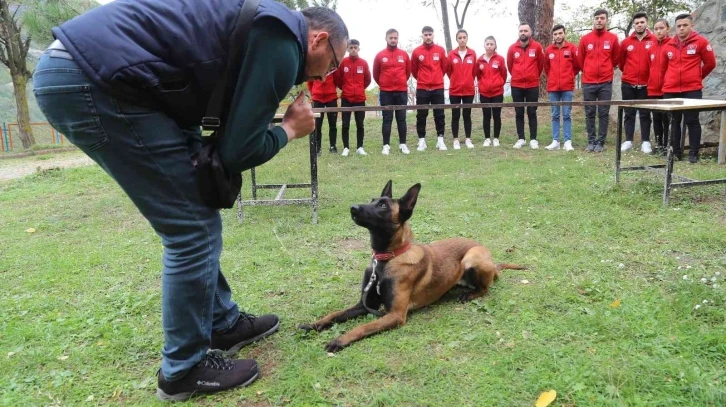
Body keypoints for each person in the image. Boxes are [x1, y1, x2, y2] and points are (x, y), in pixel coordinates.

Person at [32, 0, 347, 401]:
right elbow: (238, 152)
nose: (325, 75)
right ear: (318, 39)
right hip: (94, 80)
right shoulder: (283, 41)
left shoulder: (267, 25)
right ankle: (183, 369)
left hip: (93, 74)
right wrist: (288, 129)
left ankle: (221, 322)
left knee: (196, 212)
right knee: (190, 228)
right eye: (333, 63)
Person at [661, 13, 717, 163]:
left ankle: (693, 153)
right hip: (671, 90)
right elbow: (662, 68)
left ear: (692, 26)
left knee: (692, 120)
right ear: (675, 27)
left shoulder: (701, 42)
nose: (681, 28)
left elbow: (710, 63)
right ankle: (675, 152)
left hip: (692, 89)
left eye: (685, 25)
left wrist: (697, 77)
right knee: (674, 122)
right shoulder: (668, 46)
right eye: (679, 26)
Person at [577, 8, 620, 153]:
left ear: (606, 20)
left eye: (602, 18)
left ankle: (600, 142)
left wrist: (606, 69)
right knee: (589, 113)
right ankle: (591, 141)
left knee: (603, 113)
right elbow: (580, 60)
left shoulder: (613, 38)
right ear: (593, 20)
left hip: (605, 82)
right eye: (597, 18)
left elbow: (615, 59)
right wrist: (588, 71)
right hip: (588, 82)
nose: (599, 20)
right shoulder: (585, 39)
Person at [619, 12, 656, 154]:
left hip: (646, 84)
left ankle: (645, 142)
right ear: (633, 25)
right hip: (628, 83)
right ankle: (628, 140)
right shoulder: (626, 42)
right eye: (637, 23)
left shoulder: (653, 40)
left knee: (645, 113)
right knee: (629, 113)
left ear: (647, 23)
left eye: (642, 22)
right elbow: (622, 63)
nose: (639, 25)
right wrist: (630, 73)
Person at [373, 28, 411, 155]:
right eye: (391, 38)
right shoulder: (380, 55)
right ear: (386, 39)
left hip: (401, 92)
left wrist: (400, 83)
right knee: (387, 119)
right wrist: (385, 84)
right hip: (386, 92)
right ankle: (386, 145)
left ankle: (403, 144)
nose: (393, 40)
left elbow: (408, 73)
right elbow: (376, 74)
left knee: (402, 119)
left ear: (398, 39)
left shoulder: (404, 55)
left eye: (395, 38)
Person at [507, 23, 544, 149]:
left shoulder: (537, 47)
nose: (523, 33)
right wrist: (518, 76)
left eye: (525, 30)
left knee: (532, 112)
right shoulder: (512, 48)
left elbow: (540, 65)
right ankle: (521, 138)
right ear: (518, 33)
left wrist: (532, 76)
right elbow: (510, 66)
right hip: (516, 85)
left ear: (530, 32)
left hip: (532, 85)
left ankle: (533, 139)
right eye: (521, 30)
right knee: (519, 112)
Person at [411, 25, 449, 151]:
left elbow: (444, 68)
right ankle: (422, 140)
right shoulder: (416, 51)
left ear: (433, 35)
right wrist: (424, 79)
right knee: (421, 115)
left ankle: (440, 140)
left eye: (430, 34)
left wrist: (437, 78)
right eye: (425, 35)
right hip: (422, 88)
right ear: (422, 36)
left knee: (439, 114)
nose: (428, 37)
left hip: (438, 87)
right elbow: (414, 70)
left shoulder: (440, 50)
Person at [544, 24, 580, 151]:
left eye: (560, 33)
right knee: (554, 115)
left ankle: (567, 141)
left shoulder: (571, 48)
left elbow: (577, 65)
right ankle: (555, 141)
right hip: (553, 88)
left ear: (564, 34)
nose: (558, 36)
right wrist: (554, 78)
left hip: (567, 87)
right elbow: (547, 68)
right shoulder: (548, 50)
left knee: (566, 115)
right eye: (555, 34)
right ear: (552, 36)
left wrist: (569, 76)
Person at [334, 39, 371, 156]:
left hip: (360, 99)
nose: (353, 49)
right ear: (347, 49)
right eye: (351, 47)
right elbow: (337, 79)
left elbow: (367, 80)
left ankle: (360, 147)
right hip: (346, 98)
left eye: (355, 47)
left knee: (360, 124)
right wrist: (345, 88)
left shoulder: (364, 63)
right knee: (345, 124)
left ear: (359, 49)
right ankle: (346, 148)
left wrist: (360, 88)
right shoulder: (343, 62)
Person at [447, 29, 477, 149]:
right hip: (454, 90)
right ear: (457, 40)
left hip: (468, 90)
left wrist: (468, 81)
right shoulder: (451, 55)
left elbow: (474, 71)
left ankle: (468, 139)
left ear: (467, 38)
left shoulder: (472, 54)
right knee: (455, 115)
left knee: (467, 115)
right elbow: (449, 71)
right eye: (460, 38)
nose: (462, 40)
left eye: (464, 37)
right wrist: (455, 80)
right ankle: (455, 140)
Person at [475, 36, 507, 147]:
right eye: (487, 44)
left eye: (491, 44)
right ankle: (487, 138)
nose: (489, 46)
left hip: (497, 93)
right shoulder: (479, 60)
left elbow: (504, 74)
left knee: (497, 115)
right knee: (486, 115)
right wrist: (483, 85)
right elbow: (478, 76)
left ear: (495, 46)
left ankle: (496, 138)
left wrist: (498, 84)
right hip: (484, 93)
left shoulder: (500, 59)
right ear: (484, 45)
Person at [646, 18, 671, 156]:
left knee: (666, 119)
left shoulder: (672, 44)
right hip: (653, 89)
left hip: (667, 90)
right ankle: (659, 145)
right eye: (656, 28)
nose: (659, 31)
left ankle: (668, 146)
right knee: (656, 119)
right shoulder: (651, 48)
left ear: (667, 28)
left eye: (661, 28)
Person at [307, 74, 339, 155]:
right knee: (317, 126)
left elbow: (337, 80)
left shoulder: (333, 68)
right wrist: (314, 93)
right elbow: (309, 82)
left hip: (331, 98)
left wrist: (331, 90)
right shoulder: (316, 66)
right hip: (317, 99)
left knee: (333, 124)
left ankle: (333, 146)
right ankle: (318, 148)